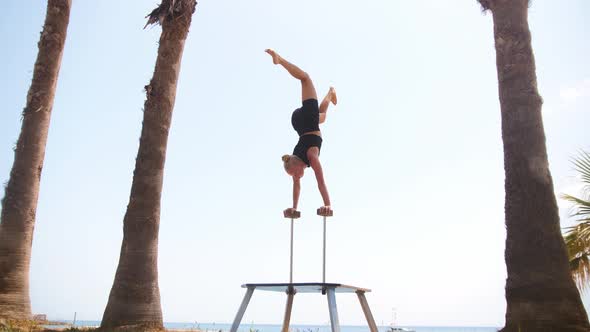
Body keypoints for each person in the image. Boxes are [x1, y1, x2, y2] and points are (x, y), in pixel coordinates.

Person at [265, 49, 337, 217]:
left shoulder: (312, 156)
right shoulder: (295, 162)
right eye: (294, 175)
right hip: (300, 123)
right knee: (323, 118)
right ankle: (330, 93)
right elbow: (296, 187)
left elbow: (321, 182)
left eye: (295, 173)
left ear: (296, 164)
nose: (297, 177)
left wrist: (327, 204)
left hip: (305, 120)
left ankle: (280, 60)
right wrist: (294, 207)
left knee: (305, 78)